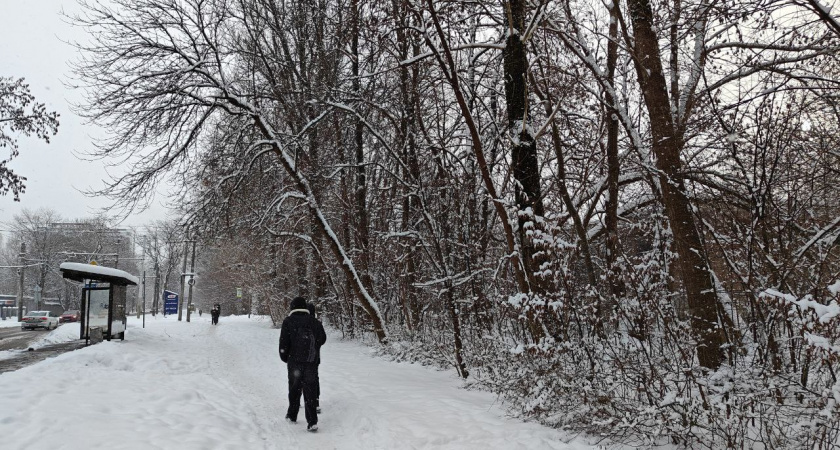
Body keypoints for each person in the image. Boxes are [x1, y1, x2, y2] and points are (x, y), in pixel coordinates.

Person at [279, 297, 326, 432]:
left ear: (293, 307)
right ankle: (312, 422)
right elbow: (322, 339)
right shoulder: (314, 321)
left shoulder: (288, 321)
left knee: (294, 389)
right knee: (310, 391)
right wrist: (314, 348)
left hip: (294, 362)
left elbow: (284, 342)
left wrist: (285, 357)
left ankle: (292, 415)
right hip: (311, 362)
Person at [306, 302, 323, 413]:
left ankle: (301, 400)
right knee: (314, 379)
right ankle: (315, 401)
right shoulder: (317, 323)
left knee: (300, 378)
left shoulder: (302, 322)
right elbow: (322, 338)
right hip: (315, 357)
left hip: (300, 357)